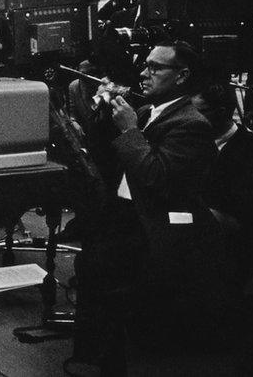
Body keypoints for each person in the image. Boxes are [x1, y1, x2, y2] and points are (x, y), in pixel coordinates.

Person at [73, 40, 231, 372]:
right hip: (122, 216)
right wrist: (104, 110)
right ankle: (98, 357)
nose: (144, 73)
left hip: (151, 228)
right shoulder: (147, 111)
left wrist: (129, 129)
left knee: (114, 292)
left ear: (182, 75)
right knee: (92, 275)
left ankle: (116, 362)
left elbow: (156, 177)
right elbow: (109, 158)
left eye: (155, 67)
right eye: (145, 65)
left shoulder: (191, 124)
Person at [192, 81, 253, 290]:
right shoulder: (189, 141)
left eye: (197, 112)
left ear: (220, 112)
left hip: (237, 258)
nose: (189, 119)